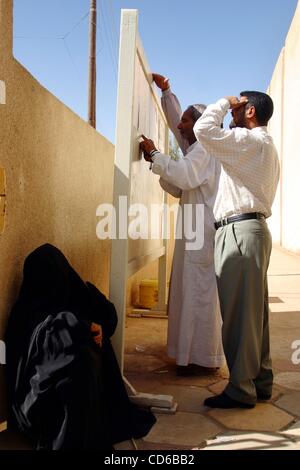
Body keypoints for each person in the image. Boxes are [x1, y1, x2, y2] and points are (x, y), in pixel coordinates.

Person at [5, 244, 156, 449]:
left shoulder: (68, 295)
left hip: (63, 408)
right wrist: (82, 327)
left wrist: (95, 327)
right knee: (79, 360)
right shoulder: (26, 314)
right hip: (35, 409)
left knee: (90, 344)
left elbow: (106, 315)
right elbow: (56, 335)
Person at [194, 92, 280, 408]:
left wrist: (222, 102)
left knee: (238, 315)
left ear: (250, 111)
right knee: (255, 314)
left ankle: (241, 389)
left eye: (239, 108)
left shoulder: (246, 139)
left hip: (239, 232)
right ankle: (261, 381)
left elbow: (204, 130)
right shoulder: (267, 146)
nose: (234, 112)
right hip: (255, 230)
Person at [139, 73, 225, 375]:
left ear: (199, 126)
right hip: (194, 236)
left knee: (198, 295)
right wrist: (166, 92)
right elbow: (180, 180)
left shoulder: (205, 149)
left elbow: (184, 176)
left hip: (201, 236)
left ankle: (200, 359)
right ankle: (190, 356)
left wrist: (154, 154)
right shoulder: (197, 148)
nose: (180, 126)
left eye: (187, 121)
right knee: (190, 294)